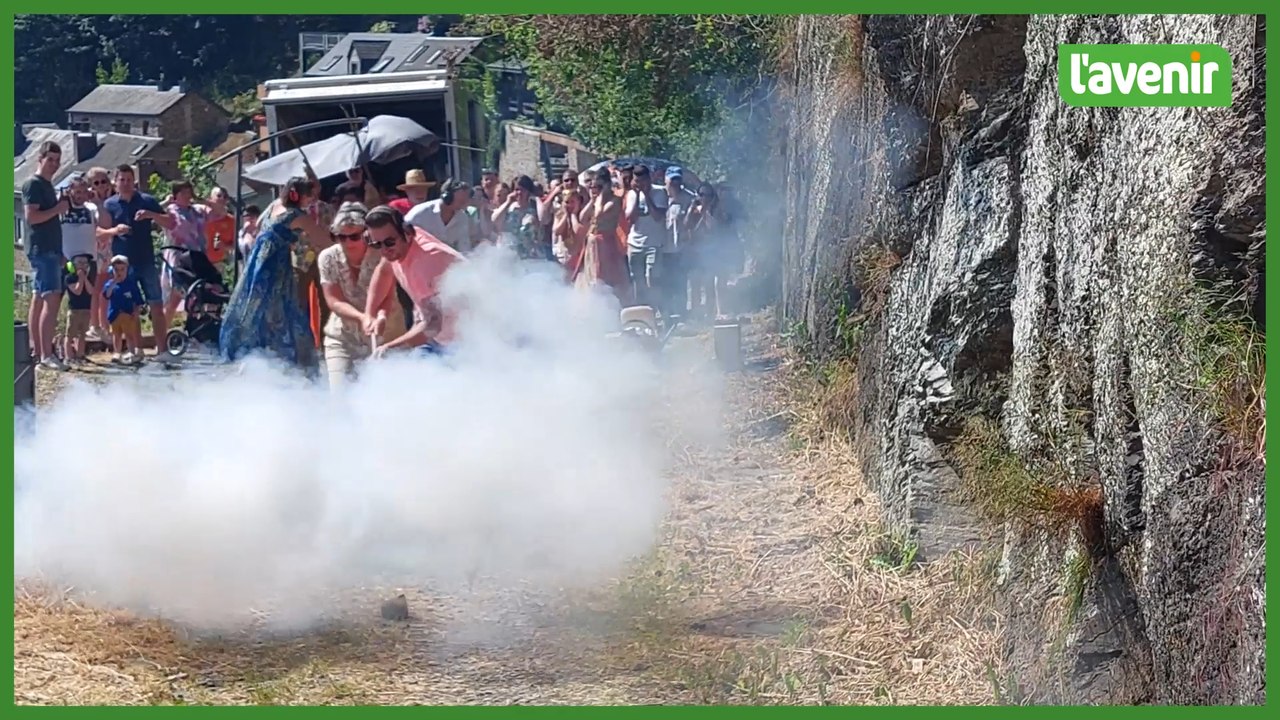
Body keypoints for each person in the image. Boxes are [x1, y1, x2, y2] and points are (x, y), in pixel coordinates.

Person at [219, 176, 331, 370]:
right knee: (282, 311)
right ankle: (289, 361)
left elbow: (259, 226)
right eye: (308, 196)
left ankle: (253, 355)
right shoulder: (297, 215)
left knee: (256, 310)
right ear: (299, 196)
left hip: (258, 262)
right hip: (276, 266)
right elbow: (323, 239)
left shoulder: (274, 205)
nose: (311, 200)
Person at [316, 202, 407, 388]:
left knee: (390, 398)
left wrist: (379, 316)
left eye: (354, 236)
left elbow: (388, 296)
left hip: (388, 336)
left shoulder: (383, 254)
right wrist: (362, 317)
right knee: (340, 399)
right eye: (341, 237)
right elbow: (333, 300)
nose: (348, 242)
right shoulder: (327, 257)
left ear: (367, 234)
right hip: (343, 338)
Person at [362, 206, 465, 357]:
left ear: (407, 234)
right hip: (442, 338)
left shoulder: (426, 261)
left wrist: (391, 347)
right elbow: (384, 271)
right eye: (377, 244)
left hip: (467, 341)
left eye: (389, 242)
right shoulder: (397, 246)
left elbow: (433, 325)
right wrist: (369, 314)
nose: (384, 250)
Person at [103, 164, 174, 360]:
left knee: (156, 305)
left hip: (146, 261)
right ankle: (136, 350)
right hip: (122, 266)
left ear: (134, 182)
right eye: (121, 180)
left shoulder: (147, 200)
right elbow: (98, 232)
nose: (125, 184)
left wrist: (151, 215)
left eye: (128, 180)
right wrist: (114, 231)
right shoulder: (109, 205)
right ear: (115, 182)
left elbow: (170, 222)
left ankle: (163, 350)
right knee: (129, 308)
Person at [22, 141, 69, 370]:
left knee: (40, 299)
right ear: (40, 158)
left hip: (49, 249)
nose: (54, 164)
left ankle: (38, 351)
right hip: (42, 250)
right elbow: (32, 217)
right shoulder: (34, 184)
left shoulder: (48, 184)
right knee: (51, 300)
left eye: (57, 160)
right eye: (50, 159)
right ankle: (46, 355)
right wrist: (58, 209)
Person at [570, 169, 629, 302]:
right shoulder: (595, 202)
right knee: (591, 278)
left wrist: (601, 195)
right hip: (592, 244)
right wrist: (592, 200)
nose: (595, 189)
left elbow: (599, 214)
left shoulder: (615, 200)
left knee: (607, 279)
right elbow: (582, 217)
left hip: (606, 244)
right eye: (593, 186)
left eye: (598, 186)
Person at [160, 180, 211, 325]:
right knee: (173, 300)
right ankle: (161, 335)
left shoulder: (197, 210)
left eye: (189, 192)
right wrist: (165, 201)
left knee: (195, 298)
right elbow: (152, 212)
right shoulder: (171, 210)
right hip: (178, 259)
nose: (187, 195)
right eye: (183, 192)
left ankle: (192, 331)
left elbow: (219, 210)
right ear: (176, 195)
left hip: (197, 258)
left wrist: (201, 199)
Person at [687, 182, 738, 321]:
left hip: (717, 250)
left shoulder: (718, 210)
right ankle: (706, 313)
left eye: (707, 195)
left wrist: (705, 212)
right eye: (701, 195)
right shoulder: (695, 209)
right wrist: (692, 210)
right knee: (704, 283)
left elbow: (713, 228)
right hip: (701, 251)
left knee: (718, 282)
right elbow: (687, 225)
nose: (704, 198)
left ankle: (720, 311)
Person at [623, 164, 668, 307]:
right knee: (637, 279)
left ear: (648, 179)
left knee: (652, 279)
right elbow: (630, 218)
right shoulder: (631, 194)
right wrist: (637, 195)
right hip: (635, 243)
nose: (639, 184)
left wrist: (647, 195)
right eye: (636, 181)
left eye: (642, 181)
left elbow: (657, 216)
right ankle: (641, 309)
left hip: (653, 243)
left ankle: (657, 308)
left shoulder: (660, 192)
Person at [405, 178, 483, 254]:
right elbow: (403, 238)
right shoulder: (419, 214)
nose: (464, 203)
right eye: (461, 201)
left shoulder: (463, 218)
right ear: (447, 197)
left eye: (466, 200)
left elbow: (464, 248)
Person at [85, 166, 117, 343]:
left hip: (110, 249)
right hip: (97, 249)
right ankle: (94, 325)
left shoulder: (112, 200)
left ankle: (105, 325)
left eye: (103, 181)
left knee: (107, 288)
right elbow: (97, 229)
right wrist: (114, 231)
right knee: (96, 289)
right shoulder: (91, 205)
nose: (101, 186)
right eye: (96, 183)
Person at [102, 254, 145, 365]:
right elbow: (106, 295)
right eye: (116, 270)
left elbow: (138, 300)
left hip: (128, 314)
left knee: (129, 334)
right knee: (116, 335)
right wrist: (114, 282)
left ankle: (131, 352)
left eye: (122, 269)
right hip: (114, 314)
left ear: (127, 269)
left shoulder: (131, 284)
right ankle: (117, 352)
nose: (119, 272)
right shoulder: (110, 284)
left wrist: (136, 311)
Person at [660, 167, 691, 318]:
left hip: (680, 249)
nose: (675, 183)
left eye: (678, 180)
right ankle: (667, 314)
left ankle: (680, 313)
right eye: (672, 180)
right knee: (663, 283)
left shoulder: (688, 198)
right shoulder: (659, 196)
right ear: (665, 180)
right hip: (661, 247)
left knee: (680, 282)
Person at [492, 175, 543, 260]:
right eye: (517, 189)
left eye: (523, 190)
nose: (519, 193)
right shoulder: (508, 208)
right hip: (507, 253)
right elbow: (494, 219)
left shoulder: (534, 209)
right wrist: (508, 202)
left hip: (528, 255)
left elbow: (543, 218)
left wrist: (537, 199)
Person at [62, 256, 94, 365]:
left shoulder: (89, 277)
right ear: (74, 265)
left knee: (82, 334)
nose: (83, 265)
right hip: (74, 310)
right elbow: (77, 291)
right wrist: (80, 278)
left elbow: (91, 291)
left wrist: (85, 278)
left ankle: (80, 355)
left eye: (85, 263)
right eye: (80, 262)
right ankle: (69, 356)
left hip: (86, 309)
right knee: (70, 334)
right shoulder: (69, 277)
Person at [203, 186, 236, 274]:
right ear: (210, 199)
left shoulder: (231, 220)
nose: (222, 199)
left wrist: (224, 246)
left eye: (225, 197)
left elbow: (235, 245)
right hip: (199, 261)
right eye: (219, 196)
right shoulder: (201, 215)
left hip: (217, 263)